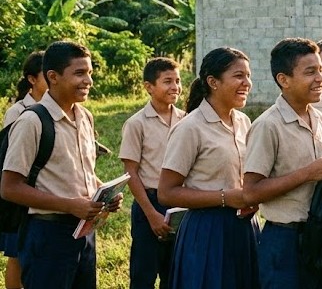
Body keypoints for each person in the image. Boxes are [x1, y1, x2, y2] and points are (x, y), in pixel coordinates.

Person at [1, 41, 122, 289]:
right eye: (79, 73)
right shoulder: (32, 121)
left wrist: (104, 193)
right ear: (53, 77)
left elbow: (82, 172)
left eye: (89, 73)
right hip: (47, 235)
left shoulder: (85, 116)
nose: (88, 81)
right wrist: (69, 205)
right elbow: (10, 188)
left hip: (84, 232)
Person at [243, 38, 322, 288]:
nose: (320, 77)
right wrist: (307, 173)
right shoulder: (268, 125)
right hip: (284, 240)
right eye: (310, 72)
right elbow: (251, 192)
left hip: (319, 235)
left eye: (320, 69)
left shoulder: (318, 118)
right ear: (283, 80)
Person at [159, 47, 260, 289]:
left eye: (248, 76)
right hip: (207, 231)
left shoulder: (243, 122)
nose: (247, 83)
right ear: (213, 82)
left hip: (245, 227)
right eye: (238, 76)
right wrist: (225, 197)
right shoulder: (190, 128)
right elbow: (167, 192)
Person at [119, 57, 186, 289]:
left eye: (178, 81)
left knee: (175, 272)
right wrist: (151, 214)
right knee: (144, 273)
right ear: (149, 87)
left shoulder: (186, 120)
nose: (175, 87)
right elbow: (131, 172)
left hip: (179, 204)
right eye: (167, 81)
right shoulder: (136, 123)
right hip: (150, 203)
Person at [0, 50, 45, 289]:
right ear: (32, 80)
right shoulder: (18, 112)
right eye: (47, 76)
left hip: (45, 193)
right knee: (16, 253)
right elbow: (13, 155)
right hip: (22, 192)